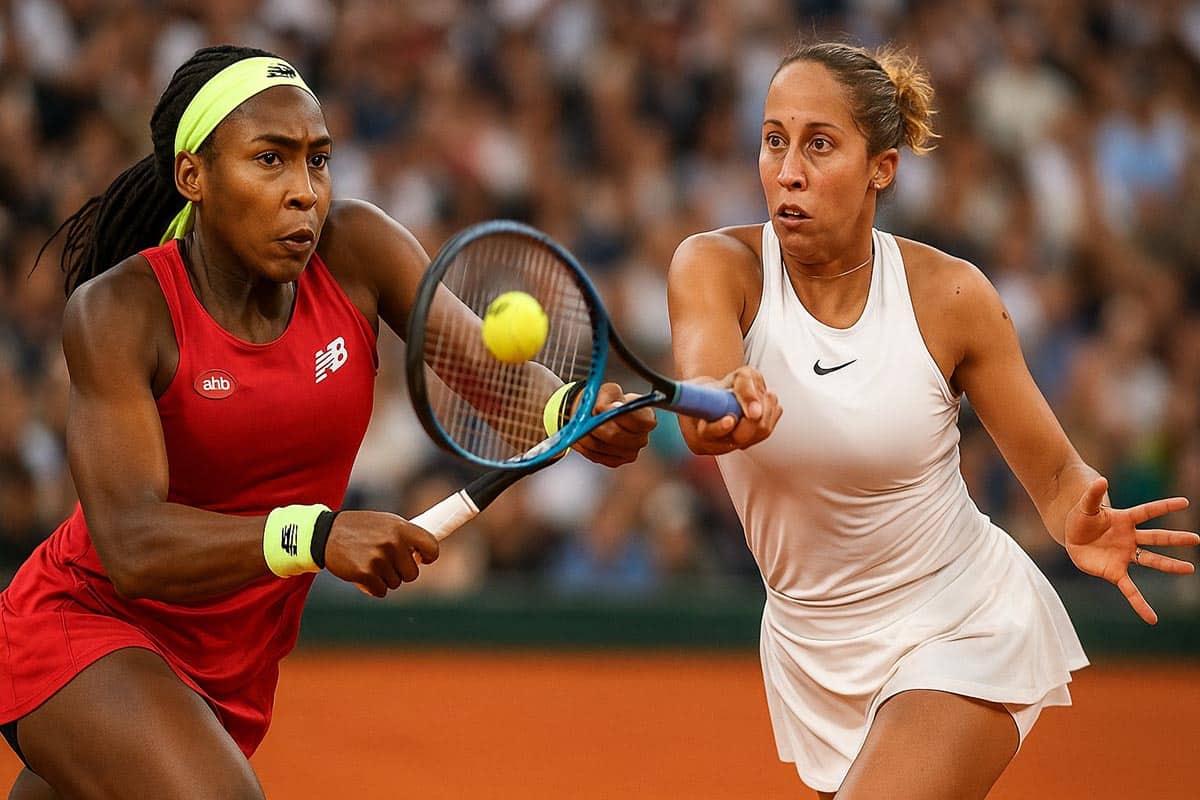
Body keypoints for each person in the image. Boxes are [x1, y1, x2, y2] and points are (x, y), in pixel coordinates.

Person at [0, 45, 657, 799]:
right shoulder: (120, 312)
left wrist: (568, 412)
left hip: (231, 662)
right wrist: (315, 533)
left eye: (318, 161)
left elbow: (490, 374)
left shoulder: (358, 247)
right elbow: (132, 545)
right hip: (87, 628)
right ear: (195, 176)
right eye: (269, 161)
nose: (303, 192)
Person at [667, 41, 1200, 799]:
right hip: (811, 648)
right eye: (774, 140)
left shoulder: (952, 296)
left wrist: (1076, 515)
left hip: (959, 619)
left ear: (881, 166)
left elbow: (1053, 473)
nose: (788, 170)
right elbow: (704, 390)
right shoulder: (713, 267)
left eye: (820, 144)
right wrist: (727, 400)